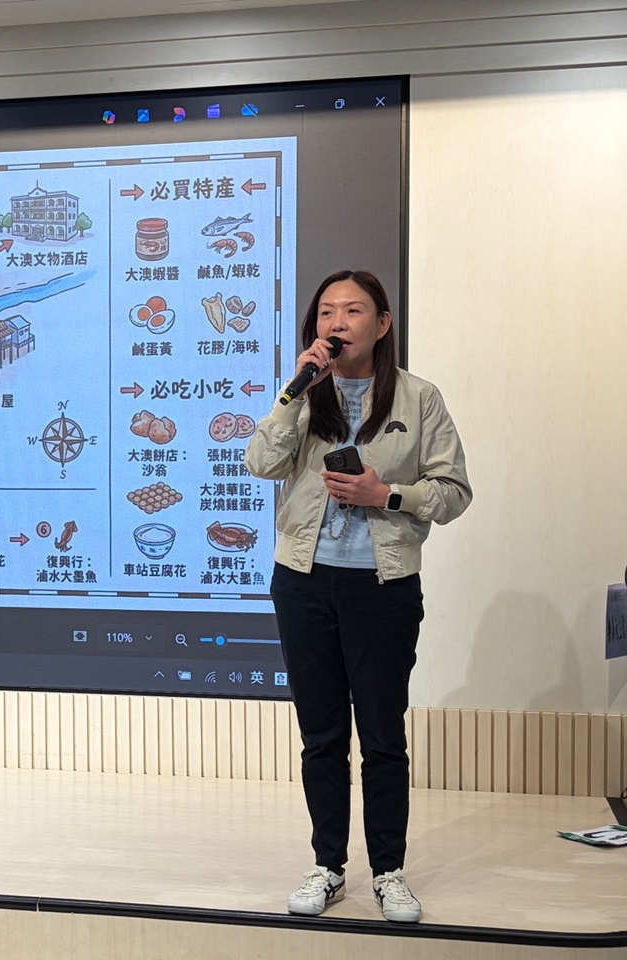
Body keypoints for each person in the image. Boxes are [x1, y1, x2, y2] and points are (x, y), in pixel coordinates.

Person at [245, 270, 471, 923]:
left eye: (352, 311)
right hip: (303, 581)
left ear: (382, 323)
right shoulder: (304, 392)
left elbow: (454, 492)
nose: (336, 323)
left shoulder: (418, 398)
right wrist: (293, 389)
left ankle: (390, 872)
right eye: (326, 313)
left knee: (381, 735)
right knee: (320, 735)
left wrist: (386, 495)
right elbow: (260, 463)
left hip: (382, 585)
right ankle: (328, 867)